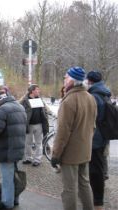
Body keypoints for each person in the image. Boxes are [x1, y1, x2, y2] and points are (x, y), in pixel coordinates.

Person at [51, 67, 97, 210]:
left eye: (65, 77)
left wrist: (56, 154)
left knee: (69, 189)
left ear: (71, 80)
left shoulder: (69, 100)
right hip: (85, 150)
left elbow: (62, 133)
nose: (64, 80)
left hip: (70, 154)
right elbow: (93, 127)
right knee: (84, 184)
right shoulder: (90, 98)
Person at [0, 90, 27, 209]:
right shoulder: (20, 107)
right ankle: (15, 200)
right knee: (15, 177)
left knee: (7, 180)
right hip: (18, 147)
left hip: (6, 149)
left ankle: (7, 204)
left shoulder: (2, 110)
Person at [86, 70, 111, 210]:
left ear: (90, 81)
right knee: (99, 168)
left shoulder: (94, 96)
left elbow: (92, 119)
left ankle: (97, 202)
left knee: (96, 171)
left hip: (95, 138)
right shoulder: (105, 92)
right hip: (103, 136)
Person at [20, 84, 49, 166]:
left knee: (38, 143)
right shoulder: (24, 100)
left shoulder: (40, 99)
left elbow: (46, 109)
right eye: (37, 89)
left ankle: (37, 159)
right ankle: (28, 158)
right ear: (32, 91)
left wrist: (52, 114)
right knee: (27, 143)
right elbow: (19, 109)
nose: (38, 91)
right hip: (28, 125)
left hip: (39, 125)